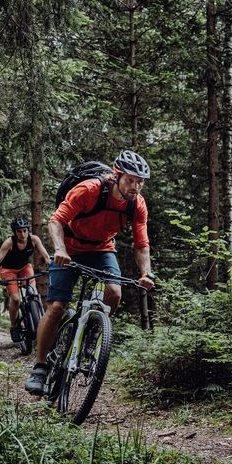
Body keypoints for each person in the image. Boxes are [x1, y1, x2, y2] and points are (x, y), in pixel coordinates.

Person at [24, 149, 156, 394]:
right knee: (56, 307)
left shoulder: (137, 204)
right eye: (130, 180)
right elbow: (56, 221)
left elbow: (141, 244)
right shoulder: (89, 189)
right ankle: (40, 368)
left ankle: (93, 332)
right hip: (69, 248)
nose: (135, 187)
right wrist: (60, 249)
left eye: (140, 182)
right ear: (116, 176)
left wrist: (145, 273)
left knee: (114, 293)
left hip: (102, 250)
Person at [0, 216, 51, 341]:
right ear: (14, 232)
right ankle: (14, 327)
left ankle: (37, 318)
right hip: (8, 270)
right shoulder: (9, 243)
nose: (22, 234)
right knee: (16, 299)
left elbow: (46, 256)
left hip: (24, 267)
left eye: (24, 230)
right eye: (19, 231)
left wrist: (51, 265)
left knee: (33, 293)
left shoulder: (34, 240)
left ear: (28, 230)